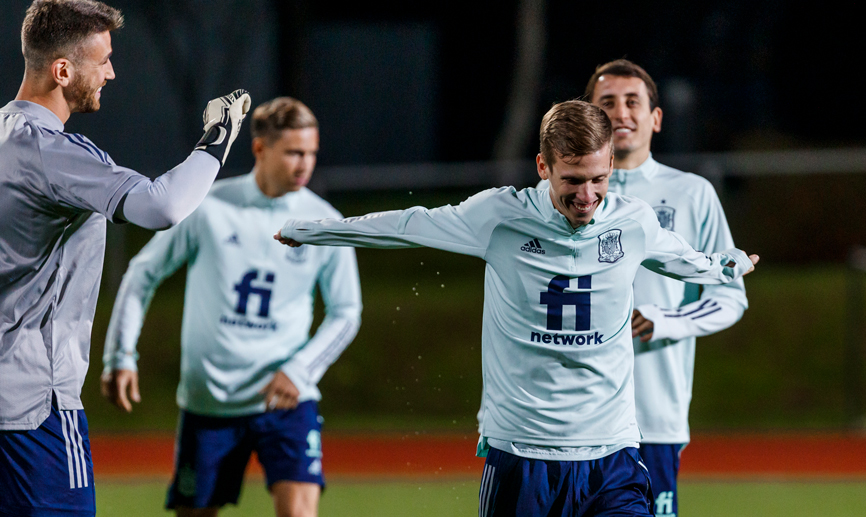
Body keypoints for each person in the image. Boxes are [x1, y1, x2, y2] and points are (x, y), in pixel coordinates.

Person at [275, 99, 759, 516]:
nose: (586, 196)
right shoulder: (499, 217)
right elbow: (407, 226)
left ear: (611, 165)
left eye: (598, 179)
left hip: (612, 452)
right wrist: (309, 230)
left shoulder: (635, 222)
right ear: (543, 166)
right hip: (522, 454)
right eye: (572, 180)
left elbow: (689, 261)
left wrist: (729, 264)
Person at [0, 1, 250, 516]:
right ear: (63, 70)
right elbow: (163, 205)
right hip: (31, 407)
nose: (112, 72)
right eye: (103, 59)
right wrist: (218, 136)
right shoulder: (52, 151)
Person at [101, 97, 362, 517]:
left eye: (311, 153)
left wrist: (300, 370)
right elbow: (141, 273)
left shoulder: (324, 223)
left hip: (286, 401)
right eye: (294, 152)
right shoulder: (208, 207)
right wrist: (119, 354)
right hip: (210, 402)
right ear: (260, 149)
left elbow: (347, 312)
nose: (305, 164)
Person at [539, 59, 746, 516]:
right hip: (564, 419)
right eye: (606, 102)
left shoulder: (692, 194)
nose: (621, 112)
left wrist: (668, 320)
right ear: (588, 116)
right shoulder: (559, 197)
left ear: (655, 117)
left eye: (633, 102)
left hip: (651, 417)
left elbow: (730, 296)